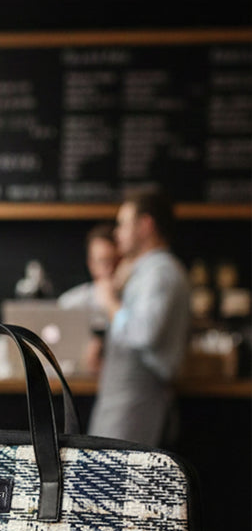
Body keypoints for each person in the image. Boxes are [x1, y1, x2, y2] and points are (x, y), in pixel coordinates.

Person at [88, 187, 191, 447]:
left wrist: (111, 302)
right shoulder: (143, 272)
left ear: (145, 225)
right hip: (123, 403)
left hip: (136, 405)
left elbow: (143, 333)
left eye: (123, 224)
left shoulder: (161, 272)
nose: (117, 232)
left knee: (120, 485)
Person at [59, 223, 121, 372]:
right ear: (91, 264)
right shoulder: (70, 303)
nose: (109, 269)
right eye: (102, 261)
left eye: (114, 261)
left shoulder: (133, 303)